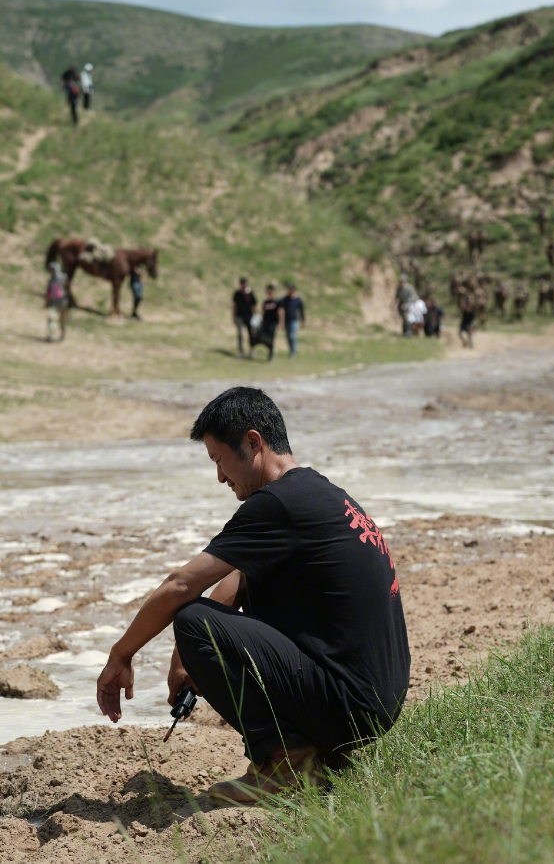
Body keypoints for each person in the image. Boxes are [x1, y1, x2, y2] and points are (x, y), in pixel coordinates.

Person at [96, 387, 410, 803]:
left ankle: (286, 765)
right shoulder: (317, 493)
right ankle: (319, 755)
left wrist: (121, 655)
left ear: (253, 442)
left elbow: (181, 586)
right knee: (206, 620)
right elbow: (239, 576)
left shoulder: (278, 504)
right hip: (375, 702)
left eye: (218, 460)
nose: (220, 476)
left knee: (191, 620)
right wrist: (185, 659)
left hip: (349, 705)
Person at [232, 277, 256, 359]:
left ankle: (251, 351)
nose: (243, 285)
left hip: (249, 316)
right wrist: (233, 317)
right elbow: (234, 306)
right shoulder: (237, 294)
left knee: (251, 334)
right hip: (239, 316)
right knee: (240, 335)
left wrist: (256, 316)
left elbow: (254, 305)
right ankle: (241, 351)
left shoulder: (250, 293)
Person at [279, 283, 305, 357]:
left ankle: (293, 352)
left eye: (292, 289)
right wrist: (281, 321)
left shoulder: (298, 299)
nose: (290, 290)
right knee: (288, 336)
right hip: (286, 320)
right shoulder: (285, 299)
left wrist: (302, 320)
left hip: (294, 320)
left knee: (292, 335)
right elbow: (281, 310)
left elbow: (301, 310)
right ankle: (291, 350)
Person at [45, 261, 69, 342]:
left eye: (52, 269)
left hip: (62, 302)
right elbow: (49, 292)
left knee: (62, 320)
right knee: (52, 318)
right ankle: (51, 335)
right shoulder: (51, 280)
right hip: (55, 302)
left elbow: (67, 289)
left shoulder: (63, 277)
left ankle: (62, 334)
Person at [261, 284, 280, 361]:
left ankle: (270, 356)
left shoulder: (277, 301)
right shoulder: (265, 301)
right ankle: (271, 348)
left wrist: (281, 322)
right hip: (266, 322)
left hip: (273, 322)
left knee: (271, 339)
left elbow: (280, 312)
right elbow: (263, 312)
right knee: (263, 338)